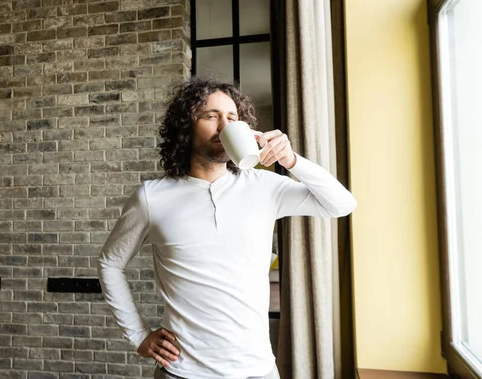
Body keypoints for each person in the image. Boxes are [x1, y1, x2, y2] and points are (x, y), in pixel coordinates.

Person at [97, 77, 357, 379]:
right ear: (186, 127)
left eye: (232, 118)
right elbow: (110, 264)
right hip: (183, 372)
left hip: (258, 370)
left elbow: (341, 204)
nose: (224, 125)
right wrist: (138, 335)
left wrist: (291, 160)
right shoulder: (152, 197)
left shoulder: (265, 187)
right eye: (211, 116)